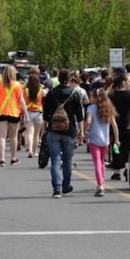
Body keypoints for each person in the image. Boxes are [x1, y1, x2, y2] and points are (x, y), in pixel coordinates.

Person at [43, 69, 85, 198]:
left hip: (53, 129)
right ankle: (66, 186)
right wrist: (81, 131)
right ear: (69, 79)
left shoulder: (51, 93)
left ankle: (57, 189)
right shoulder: (74, 93)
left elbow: (45, 113)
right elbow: (79, 115)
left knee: (55, 160)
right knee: (67, 160)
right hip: (69, 130)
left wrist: (44, 129)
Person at [84, 86, 120, 197]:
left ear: (95, 98)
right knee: (102, 162)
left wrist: (84, 130)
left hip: (94, 139)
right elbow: (114, 125)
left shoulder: (91, 108)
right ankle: (102, 183)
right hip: (105, 140)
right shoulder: (109, 108)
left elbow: (89, 121)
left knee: (97, 163)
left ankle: (100, 185)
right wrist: (117, 139)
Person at [0, 65, 28, 167]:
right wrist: (26, 113)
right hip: (14, 112)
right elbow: (21, 101)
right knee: (13, 136)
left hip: (1, 111)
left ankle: (2, 159)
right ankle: (13, 158)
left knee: (2, 136)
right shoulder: (18, 85)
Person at [107, 71, 130, 181]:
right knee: (129, 148)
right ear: (123, 82)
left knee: (116, 148)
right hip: (128, 124)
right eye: (128, 81)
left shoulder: (112, 95)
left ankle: (116, 172)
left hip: (115, 125)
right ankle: (128, 169)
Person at [23, 71, 47, 159]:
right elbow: (47, 95)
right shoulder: (41, 91)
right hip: (38, 113)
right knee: (36, 134)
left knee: (30, 133)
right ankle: (34, 151)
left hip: (28, 112)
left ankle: (29, 151)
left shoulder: (25, 90)